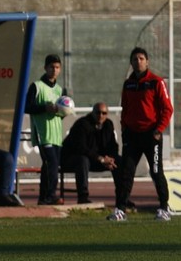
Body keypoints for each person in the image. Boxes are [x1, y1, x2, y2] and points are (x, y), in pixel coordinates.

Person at [108, 47, 174, 222]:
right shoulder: (128, 84)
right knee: (126, 173)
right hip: (132, 136)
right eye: (135, 59)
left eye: (141, 58)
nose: (138, 62)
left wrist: (159, 130)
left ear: (147, 61)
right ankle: (120, 210)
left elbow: (167, 109)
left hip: (152, 135)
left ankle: (164, 208)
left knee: (156, 171)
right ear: (131, 62)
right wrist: (124, 129)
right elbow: (125, 109)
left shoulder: (156, 82)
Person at [61, 102, 122, 204]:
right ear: (92, 112)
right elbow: (81, 148)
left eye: (104, 113)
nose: (100, 116)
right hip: (72, 159)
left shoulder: (108, 124)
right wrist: (100, 159)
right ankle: (83, 197)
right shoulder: (82, 124)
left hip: (96, 160)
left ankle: (122, 198)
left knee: (118, 161)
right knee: (82, 160)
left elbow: (113, 145)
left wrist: (109, 158)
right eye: (98, 112)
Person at [25, 55, 66, 206]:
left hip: (56, 134)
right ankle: (51, 195)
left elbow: (62, 113)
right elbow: (26, 107)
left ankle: (43, 198)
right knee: (52, 164)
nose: (54, 70)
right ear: (45, 68)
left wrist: (64, 111)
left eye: (57, 67)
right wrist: (44, 108)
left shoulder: (60, 90)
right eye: (51, 67)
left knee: (49, 166)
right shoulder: (36, 86)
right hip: (43, 133)